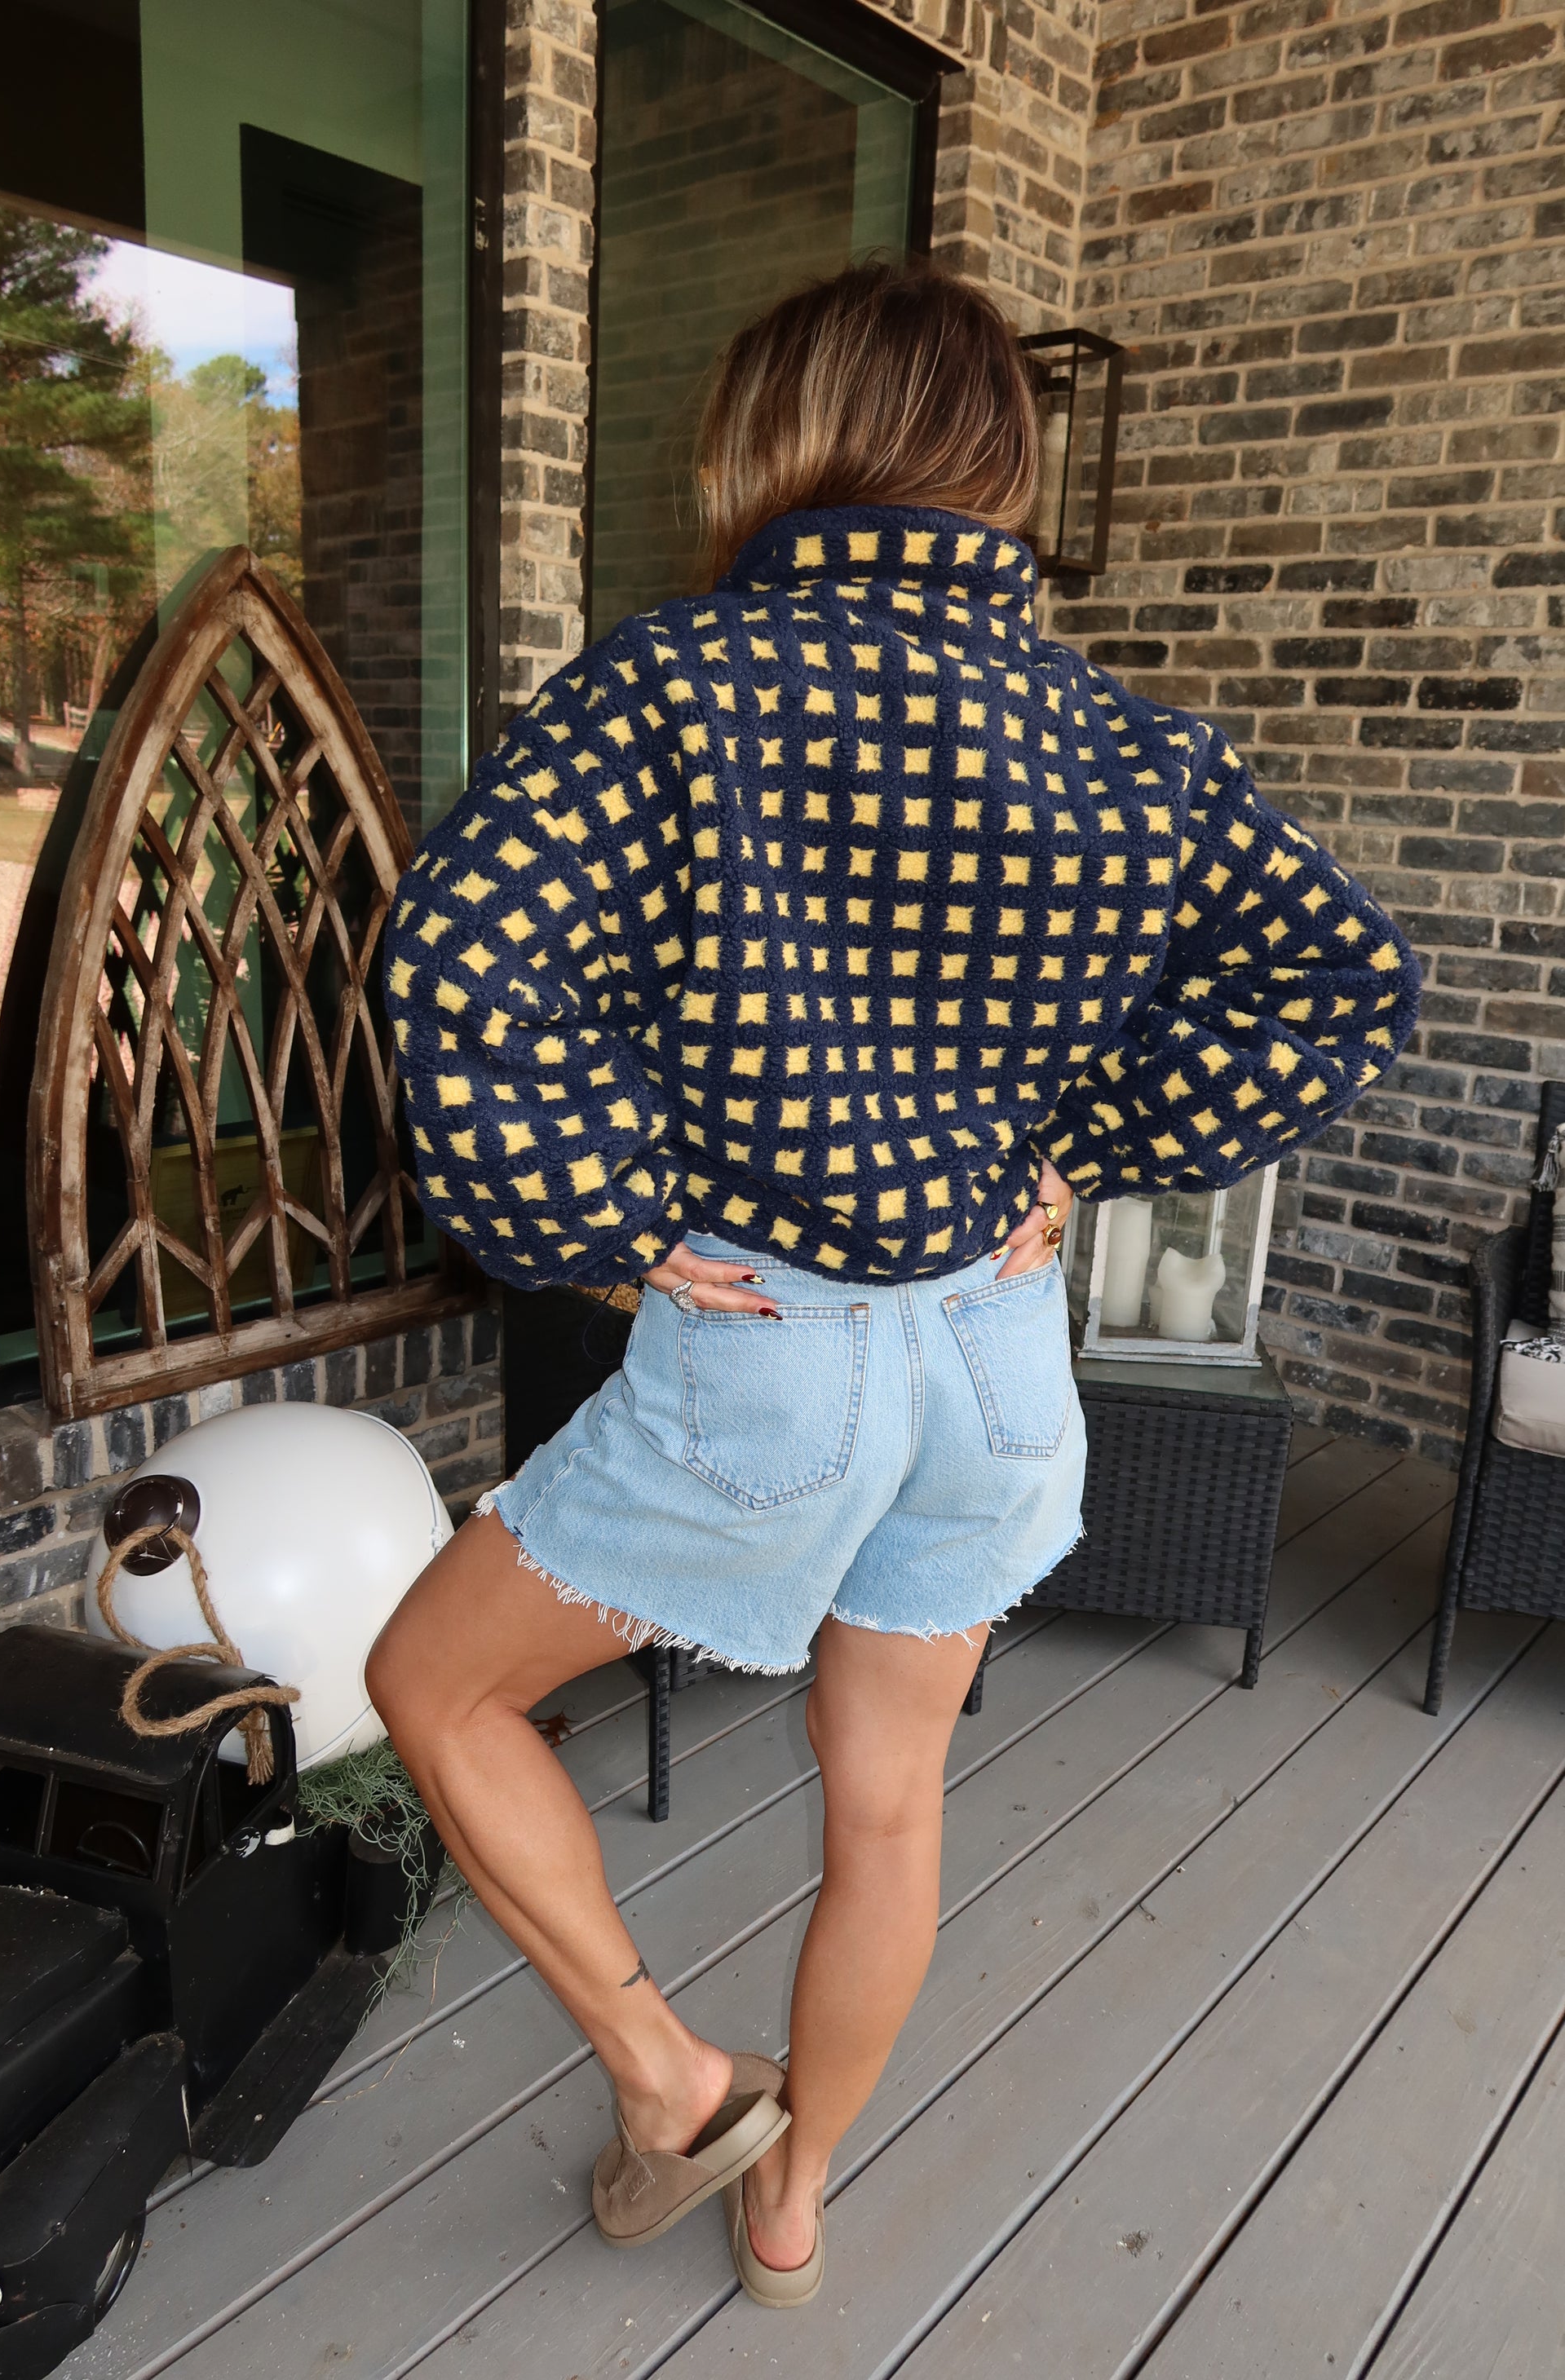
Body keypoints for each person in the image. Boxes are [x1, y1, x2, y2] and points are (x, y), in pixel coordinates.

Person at [367, 261, 1418, 2307]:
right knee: (893, 1806)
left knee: (433, 1683)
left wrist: (612, 1217)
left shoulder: (676, 683)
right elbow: (1343, 977)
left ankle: (673, 2080)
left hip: (773, 1347)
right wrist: (1084, 1145)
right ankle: (792, 2201)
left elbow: (457, 959)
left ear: (771, 437)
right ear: (1000, 463)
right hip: (998, 1359)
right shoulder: (1120, 737)